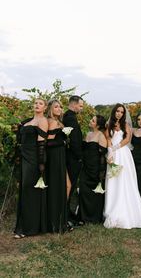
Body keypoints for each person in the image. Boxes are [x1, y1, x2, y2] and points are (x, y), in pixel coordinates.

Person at [103, 103, 141, 229]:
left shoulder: (126, 125)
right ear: (114, 112)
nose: (119, 113)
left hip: (123, 154)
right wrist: (110, 151)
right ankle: (112, 210)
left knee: (125, 181)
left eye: (122, 112)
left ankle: (129, 212)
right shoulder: (109, 125)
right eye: (117, 111)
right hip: (112, 155)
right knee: (113, 180)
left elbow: (128, 139)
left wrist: (116, 148)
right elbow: (108, 138)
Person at [14, 98, 48, 238]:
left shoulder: (42, 121)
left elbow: (41, 145)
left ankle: (29, 228)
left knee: (29, 189)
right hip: (23, 157)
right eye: (35, 103)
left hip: (33, 160)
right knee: (23, 190)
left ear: (45, 107)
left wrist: (41, 164)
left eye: (40, 103)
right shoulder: (27, 121)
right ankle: (22, 226)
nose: (37, 105)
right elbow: (20, 140)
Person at [46, 99, 71, 233]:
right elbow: (48, 142)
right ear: (50, 109)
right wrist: (62, 140)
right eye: (56, 107)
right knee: (58, 188)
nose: (59, 109)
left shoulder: (59, 122)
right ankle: (56, 221)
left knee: (66, 186)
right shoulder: (52, 122)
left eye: (60, 107)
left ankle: (61, 219)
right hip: (54, 157)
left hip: (60, 156)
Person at [78, 115, 107, 224]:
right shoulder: (88, 134)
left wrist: (101, 172)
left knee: (95, 193)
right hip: (85, 166)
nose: (90, 121)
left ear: (98, 125)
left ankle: (94, 217)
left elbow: (103, 155)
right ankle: (83, 217)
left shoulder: (101, 136)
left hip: (95, 168)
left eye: (93, 120)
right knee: (84, 190)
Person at [62, 95, 83, 223]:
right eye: (80, 106)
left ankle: (67, 212)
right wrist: (79, 156)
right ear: (74, 104)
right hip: (73, 157)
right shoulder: (70, 117)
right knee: (71, 185)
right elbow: (74, 139)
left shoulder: (69, 116)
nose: (81, 108)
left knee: (70, 185)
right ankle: (66, 214)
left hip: (70, 155)